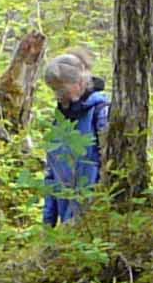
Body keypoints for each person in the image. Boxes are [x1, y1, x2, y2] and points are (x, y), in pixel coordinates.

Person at [41, 51, 110, 225]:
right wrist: (48, 222)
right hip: (67, 222)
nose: (58, 95)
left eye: (62, 88)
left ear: (79, 82)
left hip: (94, 219)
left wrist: (95, 211)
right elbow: (51, 174)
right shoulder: (59, 121)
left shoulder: (100, 112)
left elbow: (108, 165)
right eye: (54, 89)